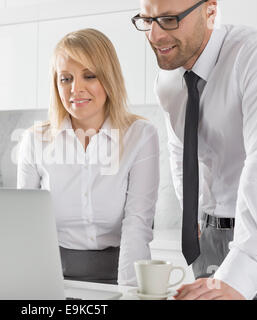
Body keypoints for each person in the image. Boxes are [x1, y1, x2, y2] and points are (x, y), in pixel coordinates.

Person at [132, 0, 257, 299]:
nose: (154, 36)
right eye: (146, 20)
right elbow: (180, 150)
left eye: (168, 19)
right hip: (208, 237)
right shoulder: (168, 80)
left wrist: (242, 271)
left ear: (210, 11)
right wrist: (194, 218)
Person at [17, 28, 160, 285]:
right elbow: (24, 225)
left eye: (89, 76)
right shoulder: (34, 140)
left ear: (109, 78)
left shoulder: (140, 136)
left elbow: (137, 223)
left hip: (120, 273)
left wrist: (128, 290)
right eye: (66, 78)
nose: (76, 89)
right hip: (51, 277)